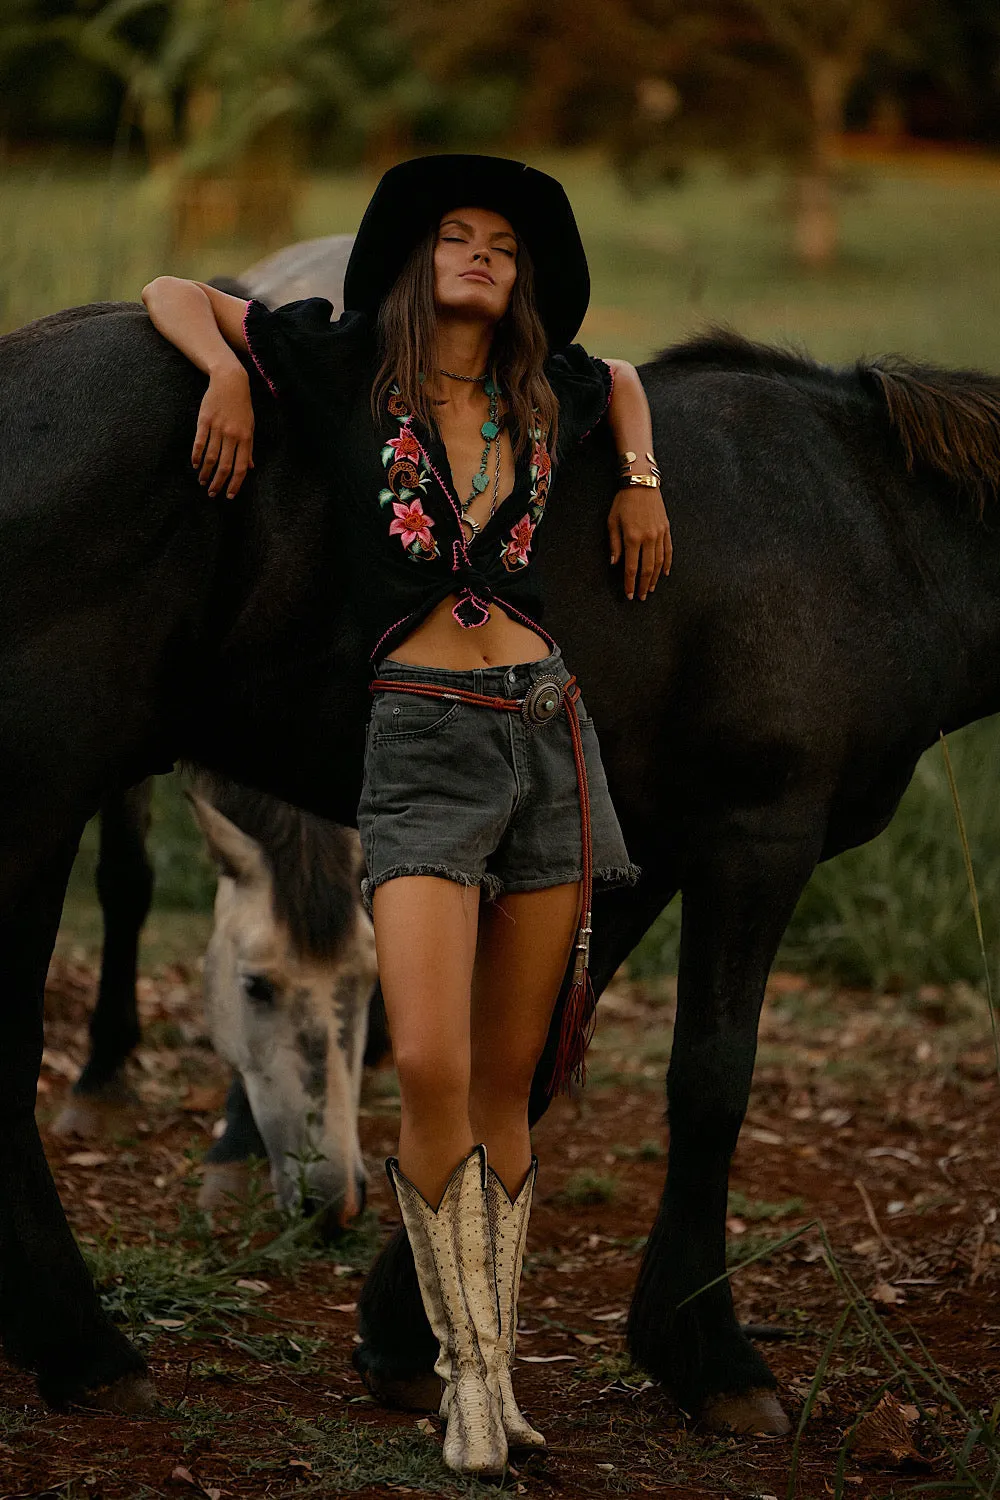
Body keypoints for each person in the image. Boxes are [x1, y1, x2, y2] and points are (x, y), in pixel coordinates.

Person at [142, 154, 671, 1476]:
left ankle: (481, 1379)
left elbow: (625, 379)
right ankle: (460, 1357)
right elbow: (175, 289)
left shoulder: (549, 394)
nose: (483, 251)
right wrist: (219, 374)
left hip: (549, 736)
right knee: (431, 1067)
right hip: (422, 739)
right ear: (411, 262)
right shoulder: (338, 373)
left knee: (514, 1078)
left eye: (504, 241)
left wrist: (645, 473)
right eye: (457, 234)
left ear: (525, 279)